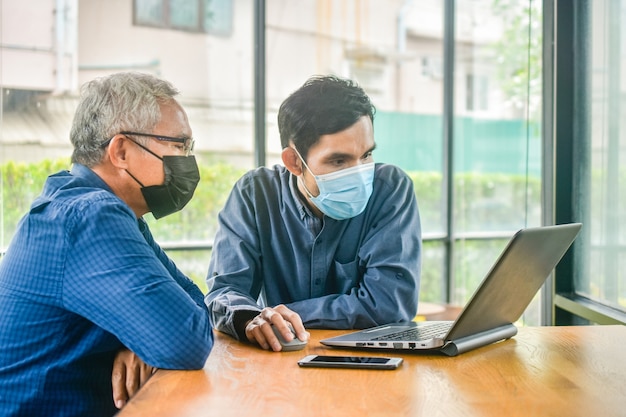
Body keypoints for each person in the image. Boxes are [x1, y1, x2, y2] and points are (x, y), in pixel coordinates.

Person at [0, 72, 214, 416]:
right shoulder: (90, 216)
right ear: (122, 151)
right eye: (178, 145)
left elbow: (195, 307)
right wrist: (154, 336)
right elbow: (188, 340)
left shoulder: (105, 210)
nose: (187, 159)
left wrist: (142, 340)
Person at [205, 75, 421, 352]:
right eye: (338, 160)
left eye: (366, 155)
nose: (359, 173)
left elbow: (388, 305)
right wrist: (250, 318)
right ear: (294, 161)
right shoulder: (255, 193)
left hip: (369, 361)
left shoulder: (390, 188)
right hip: (279, 359)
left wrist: (278, 315)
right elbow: (224, 292)